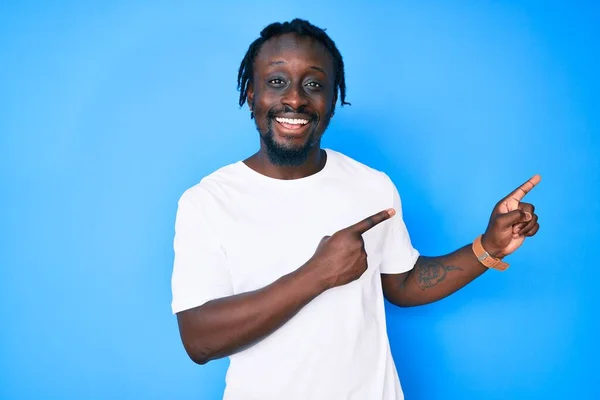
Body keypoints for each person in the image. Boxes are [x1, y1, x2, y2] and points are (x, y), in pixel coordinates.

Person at [170, 18, 540, 400]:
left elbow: (404, 282)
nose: (295, 99)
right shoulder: (208, 201)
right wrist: (318, 274)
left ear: (333, 99)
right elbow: (199, 340)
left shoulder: (372, 185)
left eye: (313, 85)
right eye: (276, 81)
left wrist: (488, 247)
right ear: (251, 94)